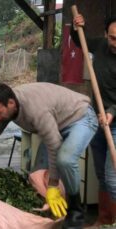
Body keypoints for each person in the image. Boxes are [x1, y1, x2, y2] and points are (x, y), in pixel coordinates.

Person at [0, 82, 98, 228]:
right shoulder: (3, 107)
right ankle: (51, 216)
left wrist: (53, 185)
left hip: (80, 117)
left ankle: (76, 210)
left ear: (11, 103)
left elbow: (54, 144)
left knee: (64, 160)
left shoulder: (35, 109)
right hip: (56, 124)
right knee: (37, 176)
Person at [72, 14, 116, 227]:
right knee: (101, 174)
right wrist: (76, 26)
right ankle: (104, 220)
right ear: (106, 35)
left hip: (113, 120)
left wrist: (112, 112)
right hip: (97, 118)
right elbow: (78, 38)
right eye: (113, 38)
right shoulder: (100, 45)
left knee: (112, 174)